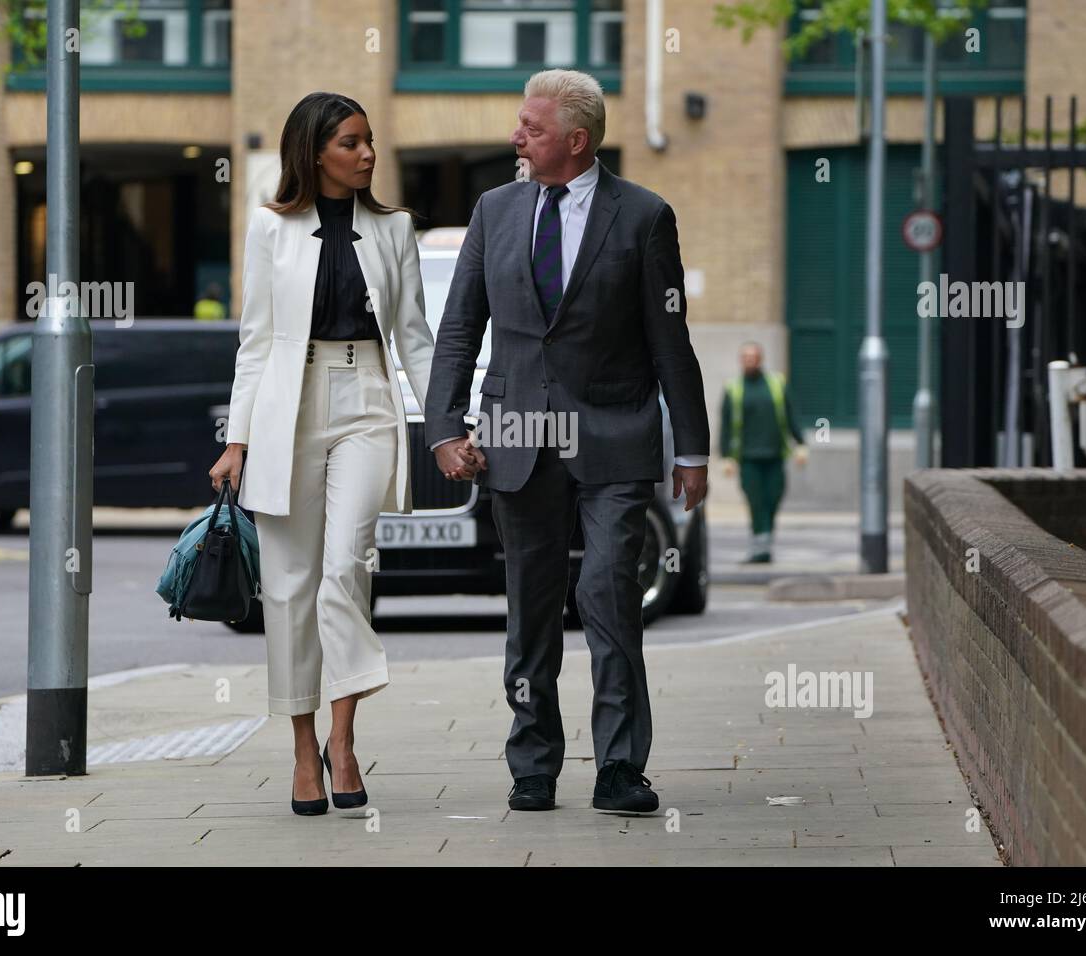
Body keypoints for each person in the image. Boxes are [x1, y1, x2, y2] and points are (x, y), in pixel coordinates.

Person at [424, 69, 710, 814]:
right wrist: (445, 428)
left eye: (533, 128)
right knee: (532, 604)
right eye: (520, 124)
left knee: (609, 589)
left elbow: (668, 339)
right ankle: (534, 762)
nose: (516, 137)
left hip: (613, 434)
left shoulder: (644, 216)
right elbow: (460, 328)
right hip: (517, 435)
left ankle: (619, 766)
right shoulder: (494, 210)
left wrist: (693, 449)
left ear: (576, 141)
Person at [208, 92, 460, 817]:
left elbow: (414, 336)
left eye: (371, 141)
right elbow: (255, 342)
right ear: (315, 150)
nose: (368, 154)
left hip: (367, 402)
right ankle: (300, 750)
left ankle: (343, 740)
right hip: (288, 405)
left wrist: (443, 425)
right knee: (287, 587)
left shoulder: (394, 228)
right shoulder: (270, 228)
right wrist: (237, 439)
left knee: (347, 569)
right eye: (352, 142)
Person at [718, 342, 808, 563]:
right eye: (746, 357)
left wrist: (801, 444)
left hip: (775, 455)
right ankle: (760, 548)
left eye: (754, 356)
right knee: (756, 502)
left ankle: (764, 542)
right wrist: (726, 456)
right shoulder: (734, 389)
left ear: (761, 359)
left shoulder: (777, 384)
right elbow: (726, 425)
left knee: (773, 499)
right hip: (748, 458)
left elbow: (791, 414)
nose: (750, 360)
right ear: (741, 360)